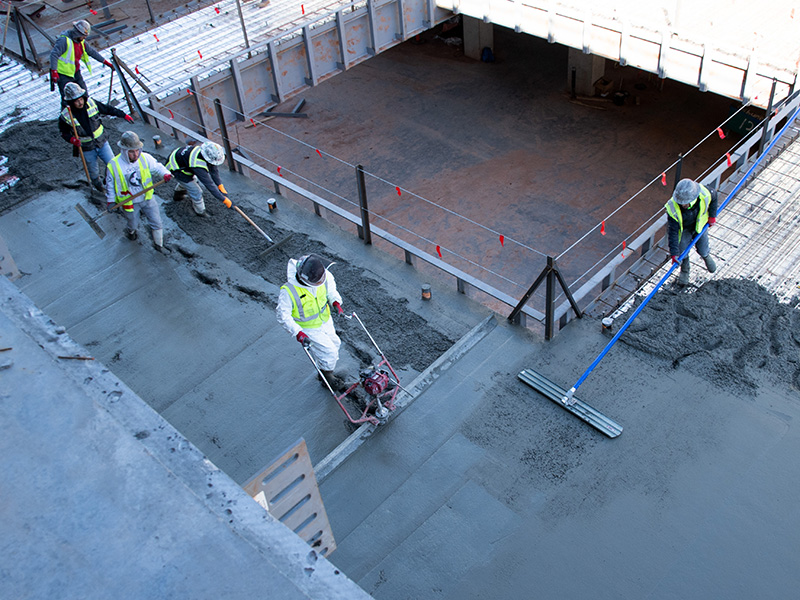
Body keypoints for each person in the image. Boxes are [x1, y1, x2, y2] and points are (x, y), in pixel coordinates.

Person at [277, 254, 346, 391]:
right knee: (329, 352)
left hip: (325, 320)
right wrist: (298, 333)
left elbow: (331, 291)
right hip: (308, 328)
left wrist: (336, 302)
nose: (321, 281)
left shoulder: (323, 275)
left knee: (335, 344)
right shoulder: (289, 291)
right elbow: (283, 315)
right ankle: (326, 376)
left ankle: (324, 367)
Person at [59, 82, 133, 195]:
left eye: (81, 99)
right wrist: (72, 140)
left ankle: (108, 181)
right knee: (93, 171)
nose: (80, 102)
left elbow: (107, 109)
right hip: (86, 148)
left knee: (112, 164)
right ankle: (98, 185)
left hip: (102, 142)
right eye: (76, 101)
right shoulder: (66, 116)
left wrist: (123, 114)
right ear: (71, 102)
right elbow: (64, 133)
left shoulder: (91, 103)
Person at [105, 131, 173, 253]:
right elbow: (110, 185)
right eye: (132, 152)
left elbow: (157, 167)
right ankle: (131, 231)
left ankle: (159, 245)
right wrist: (111, 201)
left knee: (156, 222)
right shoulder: (114, 165)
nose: (135, 154)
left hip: (147, 198)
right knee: (133, 222)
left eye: (137, 150)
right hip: (129, 202)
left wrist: (165, 174)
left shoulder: (145, 158)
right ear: (124, 150)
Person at [666, 178, 718, 285]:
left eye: (685, 203)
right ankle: (685, 269)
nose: (683, 205)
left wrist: (712, 216)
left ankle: (706, 256)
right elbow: (673, 232)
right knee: (682, 250)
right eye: (681, 203)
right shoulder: (672, 207)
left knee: (703, 247)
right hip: (684, 229)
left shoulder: (704, 193)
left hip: (700, 225)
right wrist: (674, 253)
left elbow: (714, 197)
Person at [49, 20, 113, 102]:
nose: (84, 38)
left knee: (84, 95)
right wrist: (54, 71)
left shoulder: (81, 42)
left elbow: (92, 52)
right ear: (78, 33)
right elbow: (54, 55)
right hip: (63, 75)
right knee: (68, 100)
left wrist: (106, 62)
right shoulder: (64, 41)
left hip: (75, 72)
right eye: (83, 36)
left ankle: (86, 109)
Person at [166, 141, 231, 217]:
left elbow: (213, 170)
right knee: (196, 190)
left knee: (190, 182)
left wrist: (220, 185)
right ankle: (200, 211)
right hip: (175, 168)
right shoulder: (197, 164)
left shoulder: (203, 152)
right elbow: (209, 185)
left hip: (180, 161)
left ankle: (178, 196)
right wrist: (224, 199)